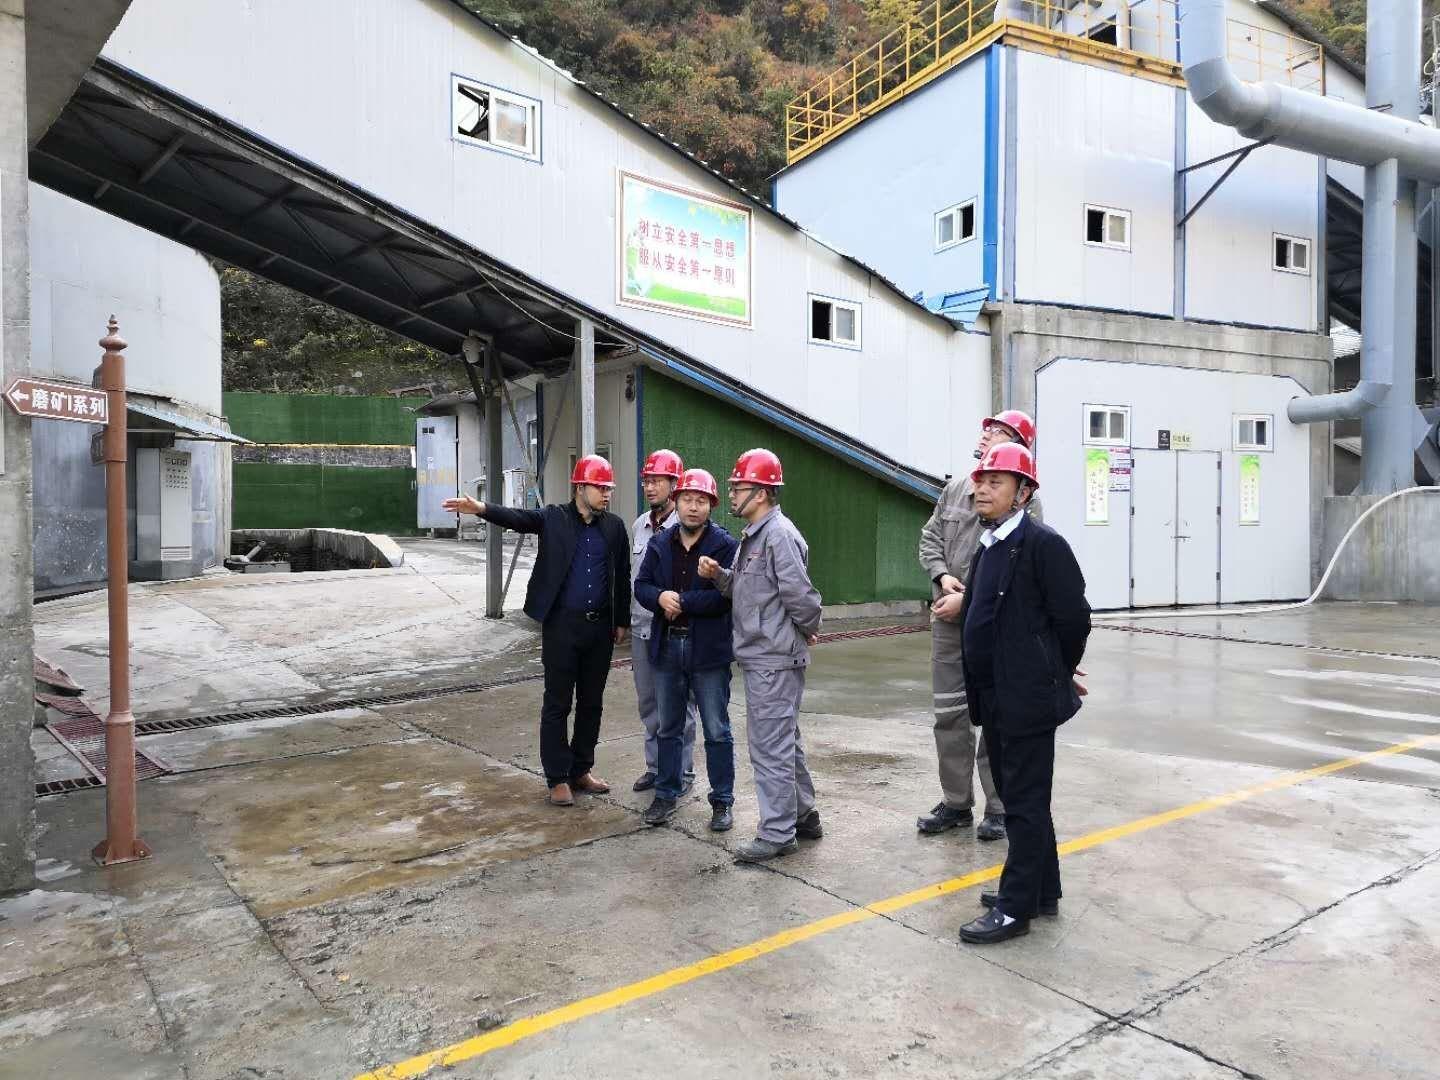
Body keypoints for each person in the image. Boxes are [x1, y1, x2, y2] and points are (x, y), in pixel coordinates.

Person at [954, 443, 1090, 945]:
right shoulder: (989, 545)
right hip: (995, 693)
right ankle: (1041, 890)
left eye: (996, 482)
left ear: (1023, 492)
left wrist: (1056, 669)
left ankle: (1015, 909)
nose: (981, 490)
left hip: (1026, 696)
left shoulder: (1043, 545)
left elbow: (1074, 619)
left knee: (1025, 801)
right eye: (980, 481)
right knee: (1018, 795)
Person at [442, 455, 631, 807]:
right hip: (562, 626)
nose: (606, 494)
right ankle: (557, 777)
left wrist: (621, 621)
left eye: (609, 488)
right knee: (558, 702)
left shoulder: (614, 527)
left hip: (599, 629)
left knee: (592, 703)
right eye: (600, 487)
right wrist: (481, 508)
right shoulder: (554, 518)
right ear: (580, 487)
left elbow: (623, 574)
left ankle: (581, 769)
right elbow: (519, 518)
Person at [916, 410, 1043, 842]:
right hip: (948, 623)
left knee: (996, 717)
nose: (988, 436)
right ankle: (955, 802)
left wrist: (967, 600)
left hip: (995, 627)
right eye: (988, 430)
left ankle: (999, 806)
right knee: (948, 714)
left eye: (1001, 433)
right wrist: (941, 576)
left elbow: (1019, 567)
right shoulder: (956, 488)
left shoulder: (1027, 501)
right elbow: (930, 538)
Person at [698, 448, 823, 864]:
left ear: (763, 493)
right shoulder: (754, 536)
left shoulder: (778, 535)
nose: (732, 494)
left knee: (770, 748)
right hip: (764, 655)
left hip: (773, 658)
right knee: (785, 741)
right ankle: (803, 816)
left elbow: (802, 597)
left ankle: (777, 833)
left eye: (739, 487)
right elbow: (750, 590)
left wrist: (807, 628)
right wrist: (720, 577)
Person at [634, 468, 739, 832]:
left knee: (716, 729)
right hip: (667, 647)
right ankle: (666, 794)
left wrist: (682, 601)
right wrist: (659, 597)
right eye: (688, 500)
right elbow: (641, 585)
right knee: (669, 727)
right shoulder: (660, 543)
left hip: (708, 651)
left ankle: (722, 801)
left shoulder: (724, 546)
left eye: (701, 501)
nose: (693, 507)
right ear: (676, 502)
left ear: (711, 506)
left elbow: (726, 598)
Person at [629, 449, 698, 795]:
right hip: (641, 627)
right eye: (647, 480)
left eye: (657, 481)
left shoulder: (686, 527)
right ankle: (656, 768)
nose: (650, 487)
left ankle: (682, 772)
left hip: (673, 631)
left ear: (674, 485)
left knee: (679, 705)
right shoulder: (639, 525)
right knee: (649, 703)